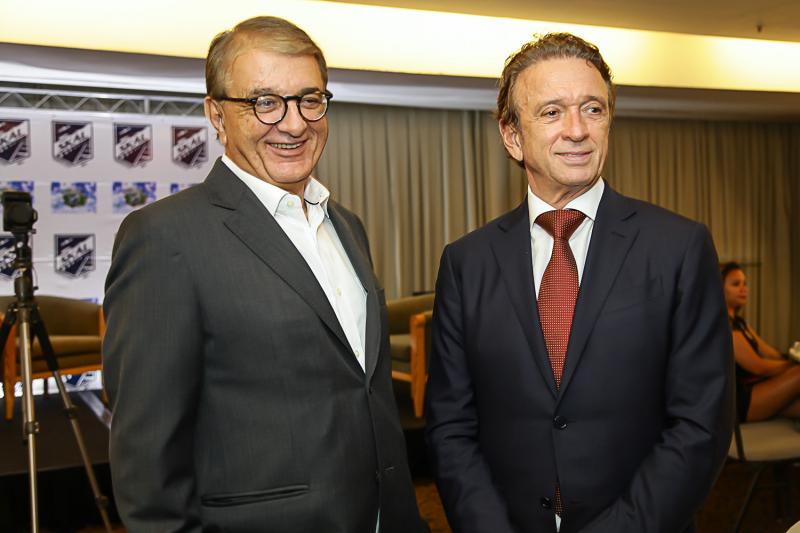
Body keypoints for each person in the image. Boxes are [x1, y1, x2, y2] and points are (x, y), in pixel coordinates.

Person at [103, 16, 425, 533]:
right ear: (217, 114)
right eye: (265, 102)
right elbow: (147, 459)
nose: (294, 124)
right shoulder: (164, 237)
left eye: (309, 99)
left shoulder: (346, 225)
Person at [425, 33, 734, 533]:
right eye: (552, 112)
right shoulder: (466, 263)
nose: (577, 130)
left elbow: (701, 423)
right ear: (512, 135)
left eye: (592, 109)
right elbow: (450, 427)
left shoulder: (679, 248)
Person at [722, 262, 800, 422]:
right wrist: (791, 365)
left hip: (756, 389)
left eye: (745, 284)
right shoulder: (724, 326)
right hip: (740, 400)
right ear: (720, 290)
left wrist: (791, 358)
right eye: (736, 284)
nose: (743, 289)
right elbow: (759, 367)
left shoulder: (740, 323)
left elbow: (770, 353)